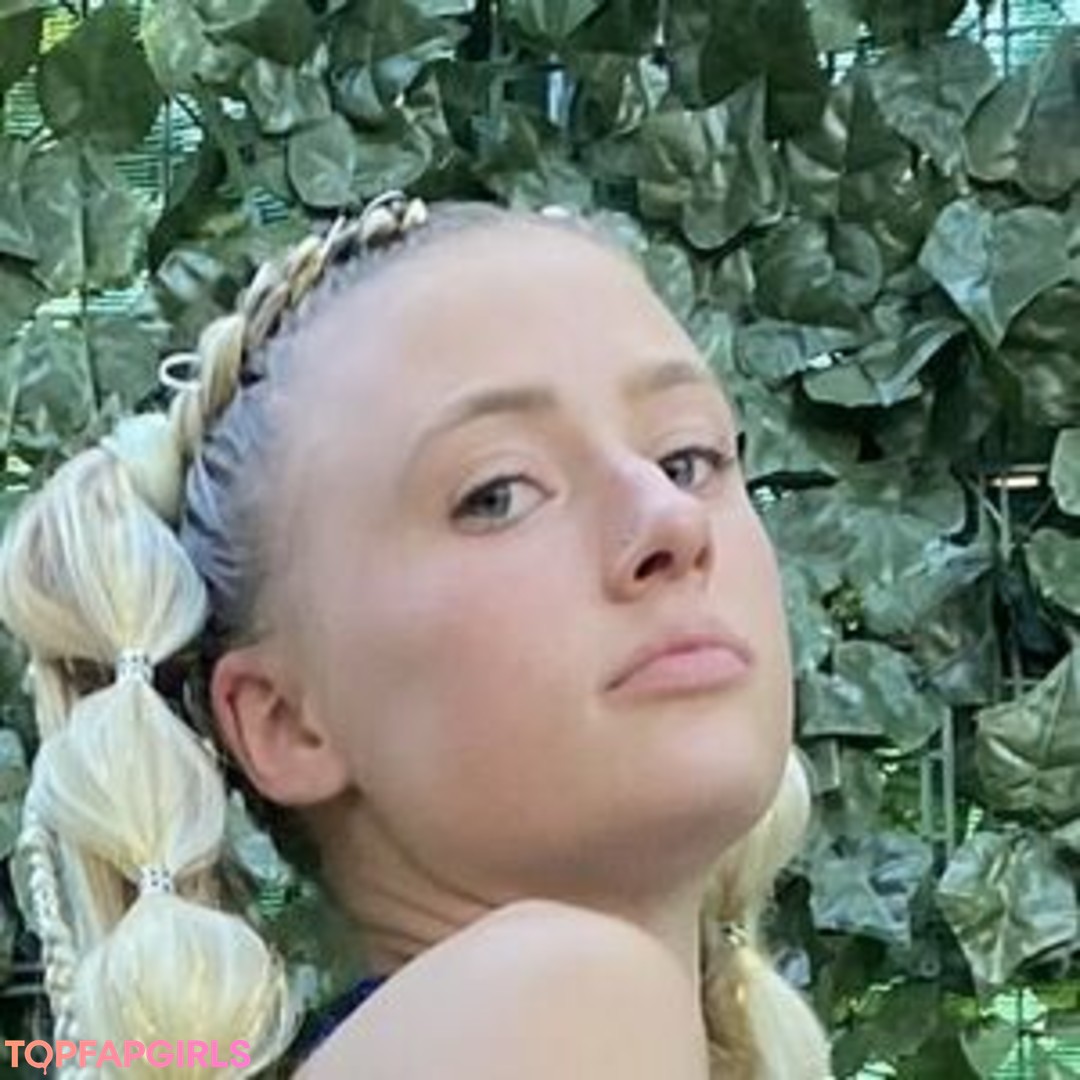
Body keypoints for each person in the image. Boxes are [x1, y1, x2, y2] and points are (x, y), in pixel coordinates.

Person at [0, 191, 832, 1079]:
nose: (670, 518)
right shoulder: (554, 1004)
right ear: (288, 722)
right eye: (496, 495)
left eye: (688, 459)